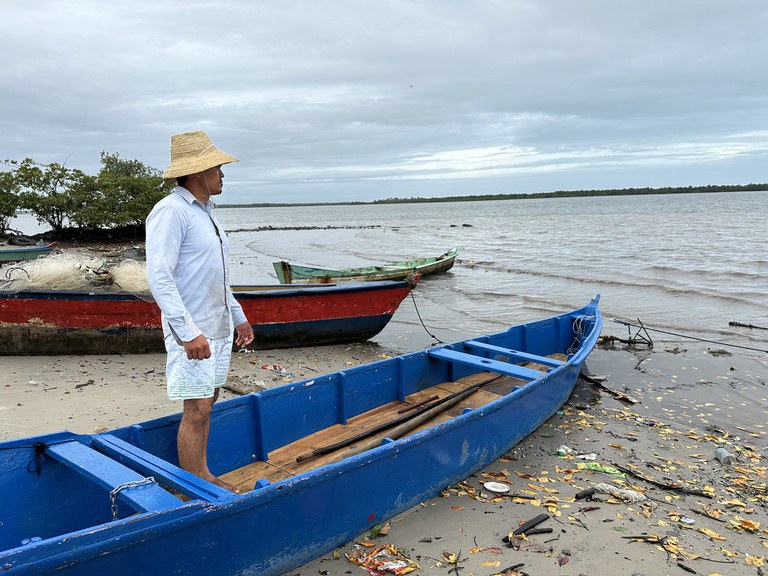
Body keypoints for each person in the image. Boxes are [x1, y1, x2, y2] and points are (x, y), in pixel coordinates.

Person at [145, 130, 254, 492]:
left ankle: (203, 474)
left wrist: (238, 316)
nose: (223, 174)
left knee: (210, 403)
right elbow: (159, 276)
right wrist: (187, 332)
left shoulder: (207, 213)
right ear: (199, 172)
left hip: (217, 327)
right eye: (218, 168)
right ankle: (193, 486)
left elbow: (218, 278)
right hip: (193, 331)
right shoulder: (171, 212)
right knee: (197, 410)